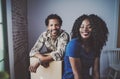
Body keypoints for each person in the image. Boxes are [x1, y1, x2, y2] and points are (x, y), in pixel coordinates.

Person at [62, 14, 109, 79]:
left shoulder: (96, 46)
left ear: (96, 29)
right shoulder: (73, 45)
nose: (85, 29)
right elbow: (77, 75)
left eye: (89, 27)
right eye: (82, 26)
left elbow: (96, 72)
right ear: (78, 28)